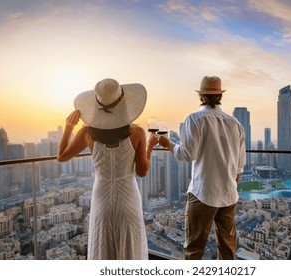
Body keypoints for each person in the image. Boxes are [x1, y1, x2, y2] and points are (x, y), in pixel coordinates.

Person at [57, 78, 158, 260]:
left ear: (97, 106)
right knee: (130, 246)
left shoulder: (86, 133)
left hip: (101, 197)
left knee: (103, 246)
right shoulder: (137, 133)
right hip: (127, 197)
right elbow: (142, 172)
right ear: (124, 104)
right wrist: (149, 148)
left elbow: (61, 156)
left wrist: (69, 127)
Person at [159, 76, 246, 260]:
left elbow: (187, 154)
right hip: (229, 196)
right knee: (228, 249)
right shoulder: (235, 123)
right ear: (220, 96)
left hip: (203, 194)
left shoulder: (195, 119)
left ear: (201, 96)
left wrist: (168, 144)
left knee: (194, 249)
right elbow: (239, 165)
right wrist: (230, 186)